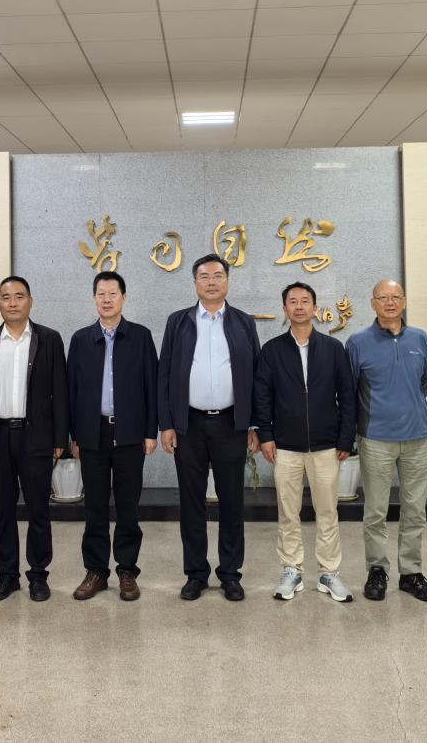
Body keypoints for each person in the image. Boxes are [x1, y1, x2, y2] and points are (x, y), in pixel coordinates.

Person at [158, 254, 261, 602]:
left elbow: (256, 375)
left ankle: (230, 574)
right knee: (192, 503)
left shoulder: (243, 322)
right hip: (189, 424)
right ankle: (196, 574)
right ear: (195, 283)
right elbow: (164, 374)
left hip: (232, 424)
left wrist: (253, 424)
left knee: (232, 502)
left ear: (227, 281)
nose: (212, 281)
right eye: (204, 276)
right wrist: (167, 424)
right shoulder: (178, 322)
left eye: (218, 275)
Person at [254, 282, 356, 603]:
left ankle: (329, 573)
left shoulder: (333, 348)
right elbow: (262, 397)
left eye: (305, 301)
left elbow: (347, 396)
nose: (299, 307)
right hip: (285, 446)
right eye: (292, 301)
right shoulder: (272, 350)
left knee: (327, 511)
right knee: (288, 512)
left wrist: (345, 438)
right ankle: (291, 570)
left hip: (326, 446)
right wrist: (266, 436)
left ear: (314, 307)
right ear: (284, 309)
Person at [0, 276, 69, 602]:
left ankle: (38, 576)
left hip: (36, 436)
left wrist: (60, 438)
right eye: (5, 297)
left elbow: (61, 390)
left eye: (19, 296)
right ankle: (7, 576)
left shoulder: (48, 339)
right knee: (2, 510)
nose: (12, 302)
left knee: (38, 509)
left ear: (30, 301)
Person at [66, 270, 158, 601]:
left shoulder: (140, 336)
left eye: (112, 294)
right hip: (92, 434)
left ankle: (127, 571)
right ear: (94, 299)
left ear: (124, 298)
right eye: (101, 294)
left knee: (128, 507)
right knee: (94, 507)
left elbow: (152, 386)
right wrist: (74, 436)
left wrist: (150, 431)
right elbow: (71, 391)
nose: (107, 300)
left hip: (131, 433)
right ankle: (96, 571)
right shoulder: (81, 339)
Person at [347, 279, 427, 602]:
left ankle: (411, 572)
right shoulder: (358, 342)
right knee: (376, 511)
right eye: (382, 298)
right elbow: (350, 389)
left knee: (415, 510)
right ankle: (377, 570)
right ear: (372, 303)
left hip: (416, 439)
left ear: (404, 301)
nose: (389, 302)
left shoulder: (419, 338)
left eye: (395, 297)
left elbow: (425, 380)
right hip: (376, 440)